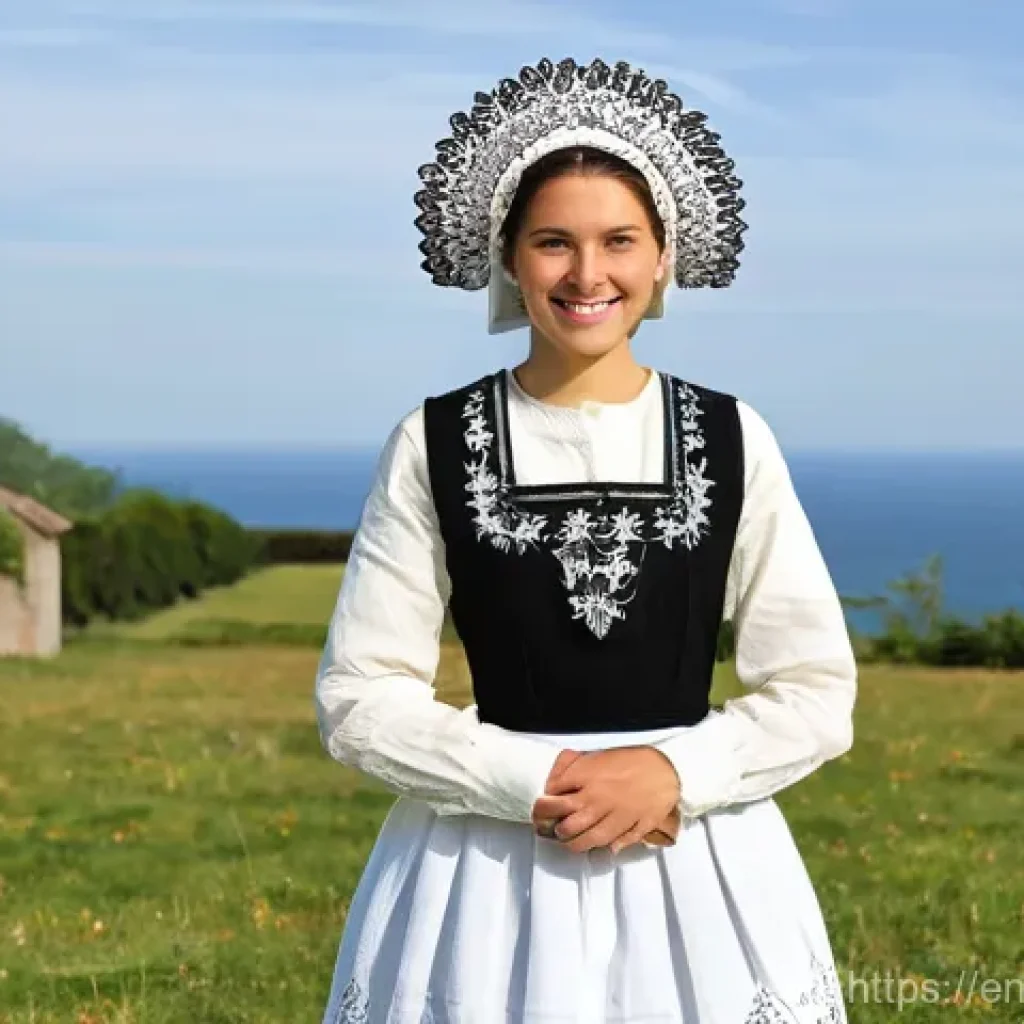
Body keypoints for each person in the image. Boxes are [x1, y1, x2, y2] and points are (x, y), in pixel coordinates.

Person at [315, 56, 857, 1024]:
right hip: (481, 872)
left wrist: (673, 771)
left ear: (661, 259)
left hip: (694, 860)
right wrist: (535, 781)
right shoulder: (431, 440)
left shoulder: (731, 435)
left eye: (618, 240)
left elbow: (814, 687)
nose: (587, 272)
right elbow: (360, 698)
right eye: (552, 242)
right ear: (509, 258)